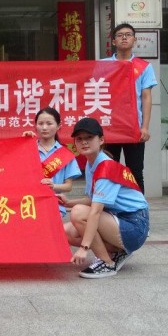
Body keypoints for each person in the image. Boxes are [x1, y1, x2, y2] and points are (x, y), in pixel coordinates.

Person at [59, 117, 150, 279]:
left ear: (101, 140)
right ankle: (118, 252)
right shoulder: (92, 163)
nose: (84, 142)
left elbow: (94, 212)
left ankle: (106, 263)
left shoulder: (105, 167)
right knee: (66, 232)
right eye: (79, 139)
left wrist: (84, 248)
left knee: (79, 213)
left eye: (89, 137)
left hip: (134, 225)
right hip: (118, 220)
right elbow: (93, 199)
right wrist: (69, 202)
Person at [102, 23, 157, 193]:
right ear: (113, 41)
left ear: (134, 40)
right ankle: (109, 206)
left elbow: (146, 97)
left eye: (128, 35)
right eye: (120, 35)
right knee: (108, 170)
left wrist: (145, 126)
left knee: (135, 171)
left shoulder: (144, 66)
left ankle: (138, 207)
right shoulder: (103, 65)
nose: (124, 38)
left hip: (134, 127)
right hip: (109, 126)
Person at [23, 107, 81, 217]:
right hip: (30, 205)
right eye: (40, 123)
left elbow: (68, 186)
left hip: (55, 206)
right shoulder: (28, 149)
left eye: (49, 123)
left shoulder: (66, 154)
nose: (44, 127)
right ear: (35, 126)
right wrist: (23, 143)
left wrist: (53, 186)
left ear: (58, 126)